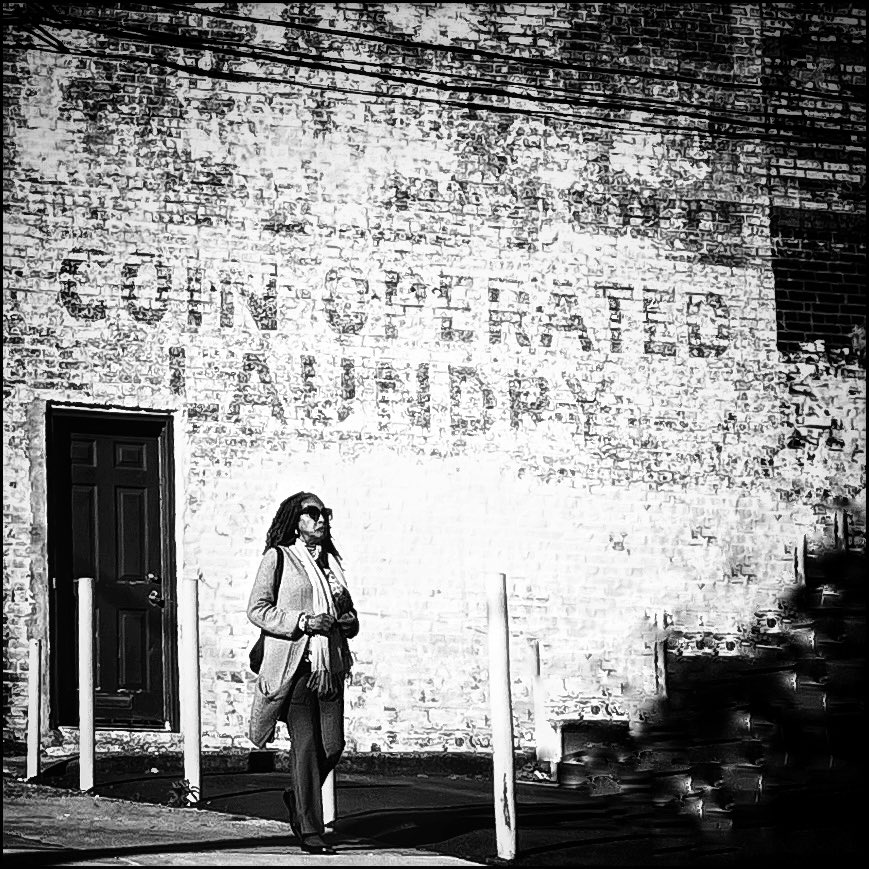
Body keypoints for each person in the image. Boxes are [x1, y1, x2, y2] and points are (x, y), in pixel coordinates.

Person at [247, 491, 358, 855]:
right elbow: (258, 610)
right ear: (295, 520)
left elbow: (353, 620)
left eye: (325, 513)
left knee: (333, 745)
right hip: (295, 667)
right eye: (312, 513)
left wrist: (345, 621)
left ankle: (298, 796)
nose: (321, 519)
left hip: (330, 667)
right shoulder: (279, 558)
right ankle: (310, 829)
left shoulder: (332, 566)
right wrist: (304, 621)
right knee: (307, 745)